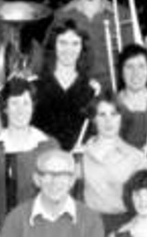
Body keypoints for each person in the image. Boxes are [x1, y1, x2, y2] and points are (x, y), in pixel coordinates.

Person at [0, 78, 60, 227]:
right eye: (14, 103)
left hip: (43, 230)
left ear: (33, 107)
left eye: (26, 103)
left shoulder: (50, 146)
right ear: (5, 108)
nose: (20, 110)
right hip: (3, 231)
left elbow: (57, 198)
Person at [48, 0, 136, 93]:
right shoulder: (61, 16)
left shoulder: (122, 14)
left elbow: (134, 59)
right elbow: (50, 59)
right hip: (73, 90)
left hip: (114, 92)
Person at [78, 95, 147, 233]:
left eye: (114, 114)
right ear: (93, 119)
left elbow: (146, 201)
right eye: (102, 114)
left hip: (125, 227)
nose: (108, 121)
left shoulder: (137, 158)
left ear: (121, 118)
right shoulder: (79, 155)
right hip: (87, 227)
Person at [31, 20, 103, 151]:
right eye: (62, 43)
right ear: (53, 45)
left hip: (78, 162)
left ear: (82, 48)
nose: (69, 50)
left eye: (75, 44)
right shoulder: (35, 85)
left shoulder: (92, 89)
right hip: (41, 160)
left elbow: (96, 133)